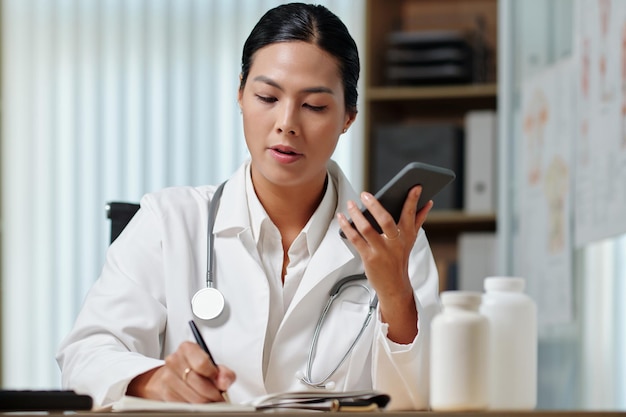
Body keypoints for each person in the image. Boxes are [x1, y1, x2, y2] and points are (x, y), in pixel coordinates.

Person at [56, 2, 440, 411]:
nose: (287, 122)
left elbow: (423, 397)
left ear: (348, 116)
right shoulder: (169, 222)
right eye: (267, 96)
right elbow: (85, 356)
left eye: (314, 106)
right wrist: (155, 381)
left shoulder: (395, 242)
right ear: (240, 94)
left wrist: (396, 294)